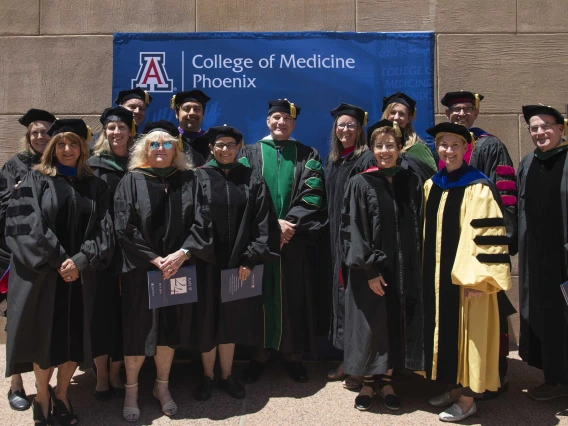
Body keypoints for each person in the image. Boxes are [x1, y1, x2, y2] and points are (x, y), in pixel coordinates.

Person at [4, 119, 114, 426]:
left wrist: (80, 260)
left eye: (74, 144)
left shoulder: (96, 185)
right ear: (53, 147)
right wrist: (61, 260)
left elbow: (106, 232)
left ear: (83, 149)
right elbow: (25, 227)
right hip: (45, 278)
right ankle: (42, 395)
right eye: (62, 144)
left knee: (74, 342)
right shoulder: (34, 180)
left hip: (80, 277)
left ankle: (62, 393)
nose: (68, 150)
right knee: (45, 342)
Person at [114, 120, 214, 422]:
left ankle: (162, 387)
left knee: (169, 329)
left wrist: (182, 254)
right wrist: (155, 259)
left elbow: (203, 221)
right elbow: (123, 225)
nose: (160, 149)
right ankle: (131, 390)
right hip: (141, 270)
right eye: (154, 144)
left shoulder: (190, 180)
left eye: (167, 144)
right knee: (136, 329)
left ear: (176, 149)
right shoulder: (130, 180)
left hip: (178, 269)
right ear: (145, 149)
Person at [423, 122, 511, 422]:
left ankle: (468, 399)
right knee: (448, 335)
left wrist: (480, 280)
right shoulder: (432, 185)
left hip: (469, 283)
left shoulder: (479, 186)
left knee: (470, 337)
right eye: (443, 144)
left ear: (466, 149)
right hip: (439, 282)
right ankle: (455, 387)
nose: (448, 150)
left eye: (455, 145)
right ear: (437, 148)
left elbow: (488, 237)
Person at [240, 99, 327, 383]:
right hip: (262, 241)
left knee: (294, 296)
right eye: (276, 118)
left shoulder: (307, 154)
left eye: (287, 119)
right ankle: (258, 356)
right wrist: (271, 225)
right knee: (258, 298)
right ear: (268, 121)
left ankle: (293, 356)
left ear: (294, 124)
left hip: (294, 242)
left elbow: (313, 193)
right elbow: (242, 194)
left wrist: (290, 225)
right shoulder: (250, 153)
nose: (281, 123)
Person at [191, 125, 280, 402]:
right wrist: (200, 253)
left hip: (238, 264)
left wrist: (250, 257)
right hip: (205, 262)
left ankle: (227, 375)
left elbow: (263, 221)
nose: (225, 150)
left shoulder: (251, 178)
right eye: (220, 145)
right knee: (207, 319)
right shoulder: (198, 177)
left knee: (230, 320)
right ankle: (207, 376)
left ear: (239, 148)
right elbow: (190, 218)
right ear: (211, 148)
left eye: (231, 145)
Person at [341, 122, 424, 412]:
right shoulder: (361, 182)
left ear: (400, 148)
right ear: (372, 150)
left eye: (390, 145)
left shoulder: (411, 181)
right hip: (370, 271)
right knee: (370, 324)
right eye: (379, 146)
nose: (385, 151)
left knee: (393, 323)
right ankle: (366, 382)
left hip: (405, 271)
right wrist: (370, 271)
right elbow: (352, 230)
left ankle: (387, 381)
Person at [441, 91, 518, 394]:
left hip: (483, 247)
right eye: (454, 110)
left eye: (466, 109)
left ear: (476, 112)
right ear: (447, 115)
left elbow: (507, 192)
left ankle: (493, 378)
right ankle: (464, 379)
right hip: (454, 250)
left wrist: (501, 242)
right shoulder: (447, 148)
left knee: (488, 316)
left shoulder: (490, 145)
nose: (460, 114)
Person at [0, 108, 56, 412]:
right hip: (16, 256)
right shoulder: (14, 166)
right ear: (28, 135)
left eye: (46, 131)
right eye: (35, 132)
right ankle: (16, 382)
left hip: (48, 258)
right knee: (17, 322)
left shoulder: (58, 165)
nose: (40, 136)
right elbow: (4, 208)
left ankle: (43, 384)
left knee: (45, 321)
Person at [517, 104, 568, 400]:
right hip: (538, 259)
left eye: (546, 126)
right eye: (534, 128)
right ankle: (554, 378)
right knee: (547, 318)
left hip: (564, 258)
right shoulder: (527, 163)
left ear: (561, 128)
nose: (540, 132)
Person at [87, 106, 136, 401]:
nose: (116, 132)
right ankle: (101, 375)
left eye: (122, 127)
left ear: (131, 132)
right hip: (102, 250)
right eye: (111, 128)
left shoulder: (138, 164)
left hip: (131, 250)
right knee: (102, 312)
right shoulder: (93, 165)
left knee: (126, 312)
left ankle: (118, 372)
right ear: (104, 132)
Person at [324, 103, 374, 388]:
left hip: (354, 240)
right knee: (343, 299)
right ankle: (349, 359)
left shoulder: (365, 158)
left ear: (360, 129)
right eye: (341, 125)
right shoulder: (333, 160)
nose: (345, 130)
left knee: (356, 301)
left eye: (351, 125)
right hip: (335, 241)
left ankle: (358, 366)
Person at [380, 91, 437, 176]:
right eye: (392, 113)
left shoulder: (418, 147)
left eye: (401, 114)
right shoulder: (375, 145)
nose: (396, 117)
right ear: (386, 115)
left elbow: (432, 179)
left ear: (409, 119)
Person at [170, 89, 211, 163]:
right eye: (187, 109)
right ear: (177, 114)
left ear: (203, 114)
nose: (192, 113)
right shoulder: (169, 139)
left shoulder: (210, 141)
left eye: (197, 109)